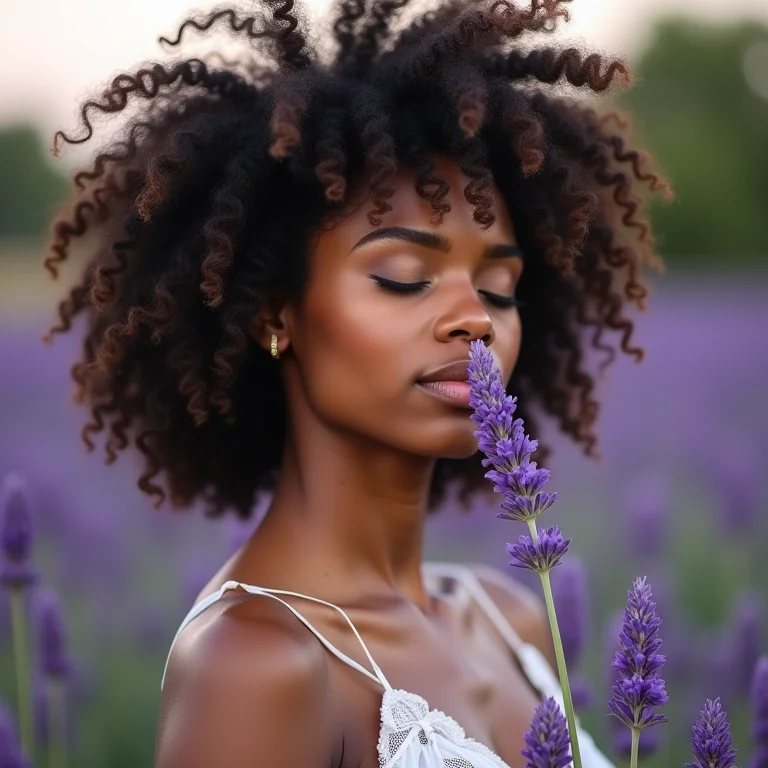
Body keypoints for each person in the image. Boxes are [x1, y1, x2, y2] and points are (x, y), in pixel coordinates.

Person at [43, 0, 671, 764]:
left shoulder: (514, 619)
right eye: (404, 277)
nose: (475, 320)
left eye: (501, 288)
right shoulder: (257, 667)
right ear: (274, 313)